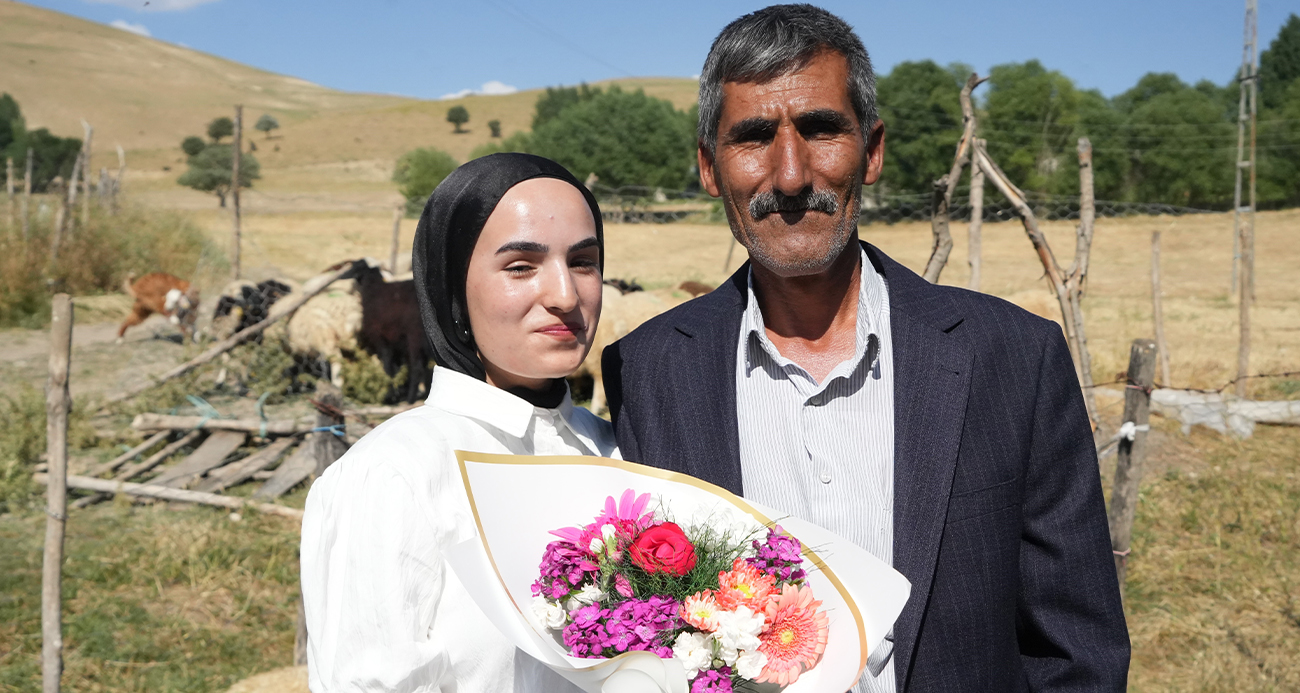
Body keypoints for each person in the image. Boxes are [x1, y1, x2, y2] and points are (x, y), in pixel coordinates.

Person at [602, 5, 1130, 692]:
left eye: (821, 129)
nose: (791, 176)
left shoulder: (1012, 359)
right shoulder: (648, 371)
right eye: (754, 137)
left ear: (872, 150)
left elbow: (1078, 654)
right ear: (709, 167)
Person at [300, 153, 612, 692]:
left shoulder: (614, 447)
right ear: (451, 288)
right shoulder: (396, 474)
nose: (566, 296)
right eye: (521, 266)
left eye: (583, 262)